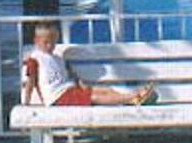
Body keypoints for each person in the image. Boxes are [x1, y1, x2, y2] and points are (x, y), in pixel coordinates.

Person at [23, 22, 157, 106]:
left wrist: (81, 84)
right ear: (36, 41)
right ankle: (133, 98)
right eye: (46, 42)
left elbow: (71, 75)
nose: (50, 45)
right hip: (57, 98)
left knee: (105, 90)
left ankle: (132, 97)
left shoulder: (58, 58)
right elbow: (30, 82)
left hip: (70, 91)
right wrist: (26, 103)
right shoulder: (35, 59)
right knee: (93, 97)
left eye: (53, 41)